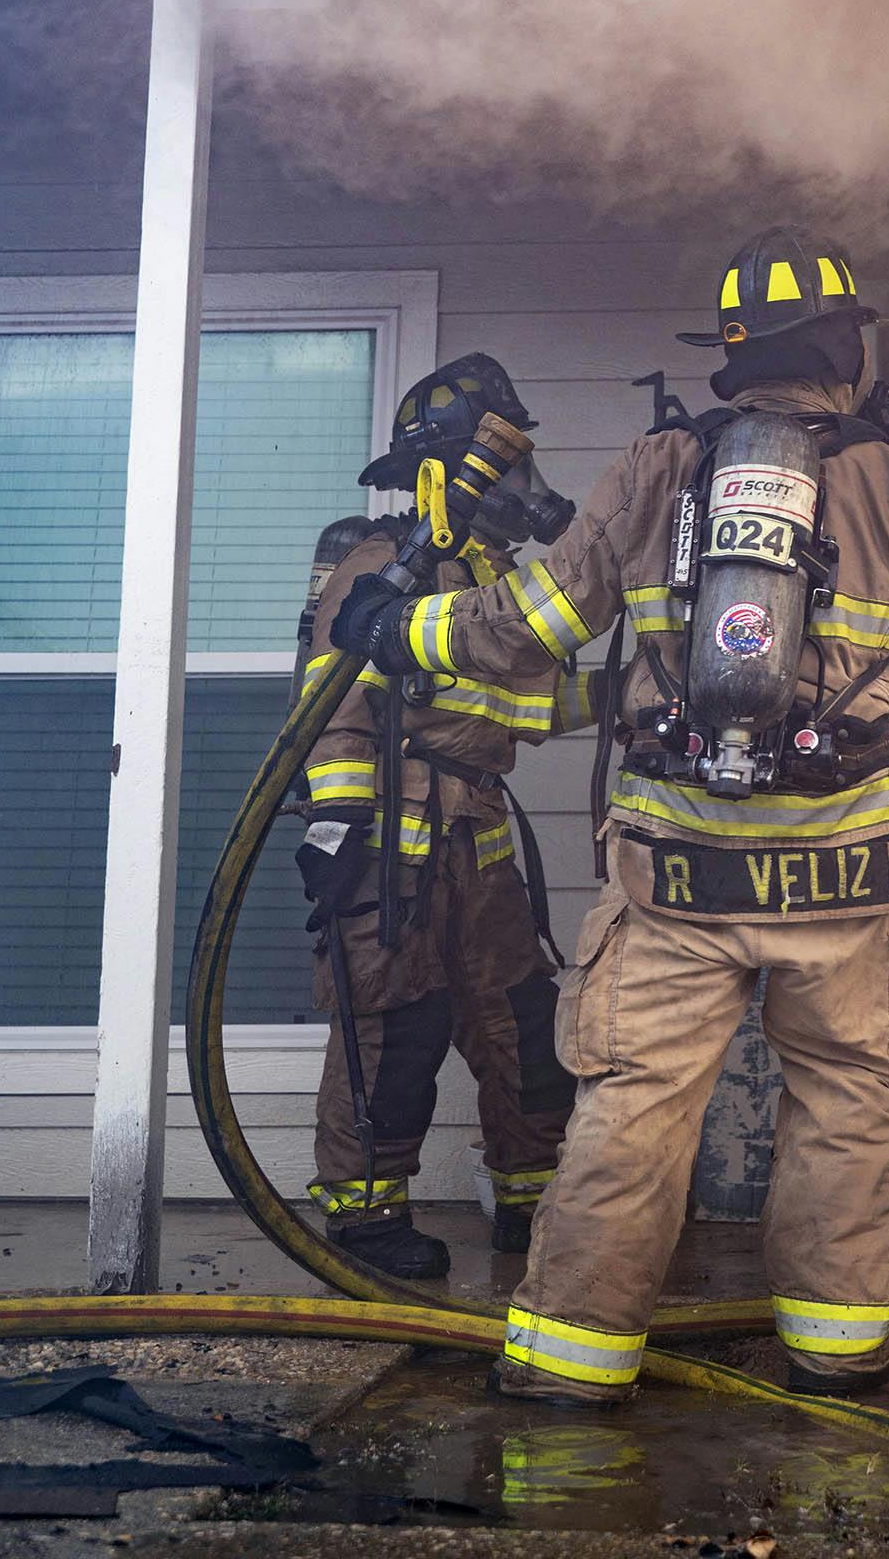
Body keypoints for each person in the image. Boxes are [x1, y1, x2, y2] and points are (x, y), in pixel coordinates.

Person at [332, 229, 889, 1403]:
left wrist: (402, 632)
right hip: (847, 871)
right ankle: (840, 1348)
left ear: (732, 359)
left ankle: (570, 1361)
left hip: (675, 867)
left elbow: (528, 621)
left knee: (635, 1106)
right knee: (850, 1101)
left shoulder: (654, 471)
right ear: (847, 345)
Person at [298, 354, 590, 1279]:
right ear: (447, 471)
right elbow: (328, 705)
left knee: (522, 1023)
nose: (520, 489)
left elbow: (534, 700)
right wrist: (339, 827)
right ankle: (365, 1222)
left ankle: (530, 1201)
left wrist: (646, 701)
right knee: (393, 1032)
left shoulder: (485, 571)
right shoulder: (381, 566)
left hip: (480, 843)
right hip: (392, 848)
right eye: (501, 465)